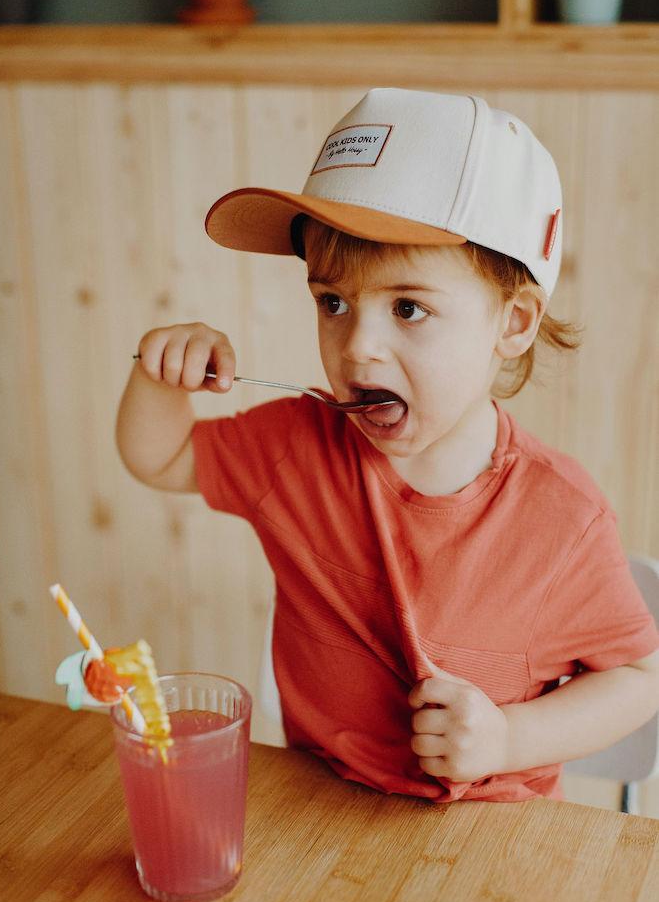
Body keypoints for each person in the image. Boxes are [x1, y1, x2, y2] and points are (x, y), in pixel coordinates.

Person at [117, 88, 659, 802]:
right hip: (319, 808)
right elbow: (159, 457)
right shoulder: (297, 447)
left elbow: (636, 680)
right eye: (332, 302)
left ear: (513, 323)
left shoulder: (560, 517)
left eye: (408, 307)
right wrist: (162, 376)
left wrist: (507, 738)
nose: (357, 348)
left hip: (490, 834)